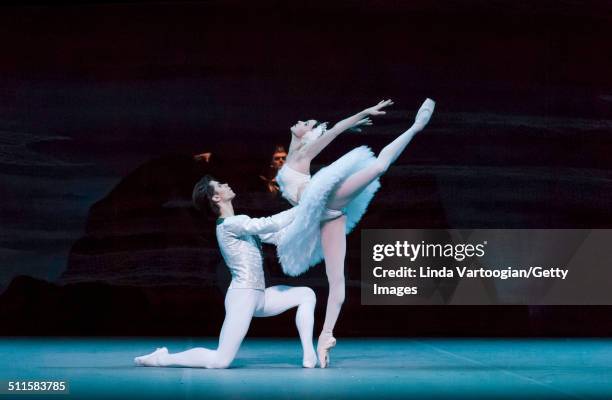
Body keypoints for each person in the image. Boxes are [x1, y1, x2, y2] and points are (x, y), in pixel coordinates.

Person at [275, 98, 435, 367]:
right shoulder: (294, 155)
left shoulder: (302, 154)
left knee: (379, 167)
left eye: (305, 122)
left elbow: (335, 129)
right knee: (337, 281)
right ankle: (325, 337)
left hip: (327, 202)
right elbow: (335, 130)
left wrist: (364, 111)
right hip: (327, 217)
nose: (300, 122)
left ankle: (416, 126)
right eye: (303, 121)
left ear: (307, 133)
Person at [134, 176, 317, 368]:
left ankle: (309, 355)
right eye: (220, 185)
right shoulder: (229, 225)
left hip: (259, 297)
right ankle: (162, 358)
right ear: (215, 198)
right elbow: (269, 223)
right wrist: (303, 207)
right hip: (243, 296)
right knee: (220, 360)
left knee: (306, 294)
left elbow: (279, 235)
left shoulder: (241, 223)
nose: (227, 184)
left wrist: (315, 220)